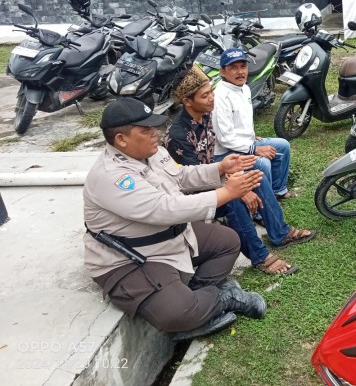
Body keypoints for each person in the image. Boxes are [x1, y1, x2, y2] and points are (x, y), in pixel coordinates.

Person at [84, 98, 267, 341]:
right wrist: (226, 193)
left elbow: (181, 176)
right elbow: (164, 208)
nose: (155, 134)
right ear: (121, 140)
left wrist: (220, 168)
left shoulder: (153, 153)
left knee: (227, 242)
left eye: (153, 127)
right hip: (130, 259)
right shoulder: (112, 177)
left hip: (169, 237)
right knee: (176, 314)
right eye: (146, 130)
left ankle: (198, 299)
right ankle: (221, 298)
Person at [166, 67, 313, 275]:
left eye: (211, 92)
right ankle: (260, 257)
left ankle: (280, 233)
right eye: (205, 95)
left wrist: (237, 178)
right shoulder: (178, 136)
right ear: (188, 101)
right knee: (235, 200)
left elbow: (212, 166)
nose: (212, 98)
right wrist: (237, 189)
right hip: (192, 199)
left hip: (212, 182)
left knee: (255, 177)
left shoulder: (205, 116)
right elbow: (194, 180)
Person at [212, 48, 316, 243]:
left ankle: (277, 191)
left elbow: (241, 122)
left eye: (242, 66)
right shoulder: (221, 96)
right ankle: (276, 228)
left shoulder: (243, 88)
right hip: (226, 153)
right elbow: (225, 138)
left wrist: (252, 137)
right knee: (261, 165)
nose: (240, 71)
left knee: (282, 145)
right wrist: (254, 149)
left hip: (245, 143)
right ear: (222, 71)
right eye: (233, 68)